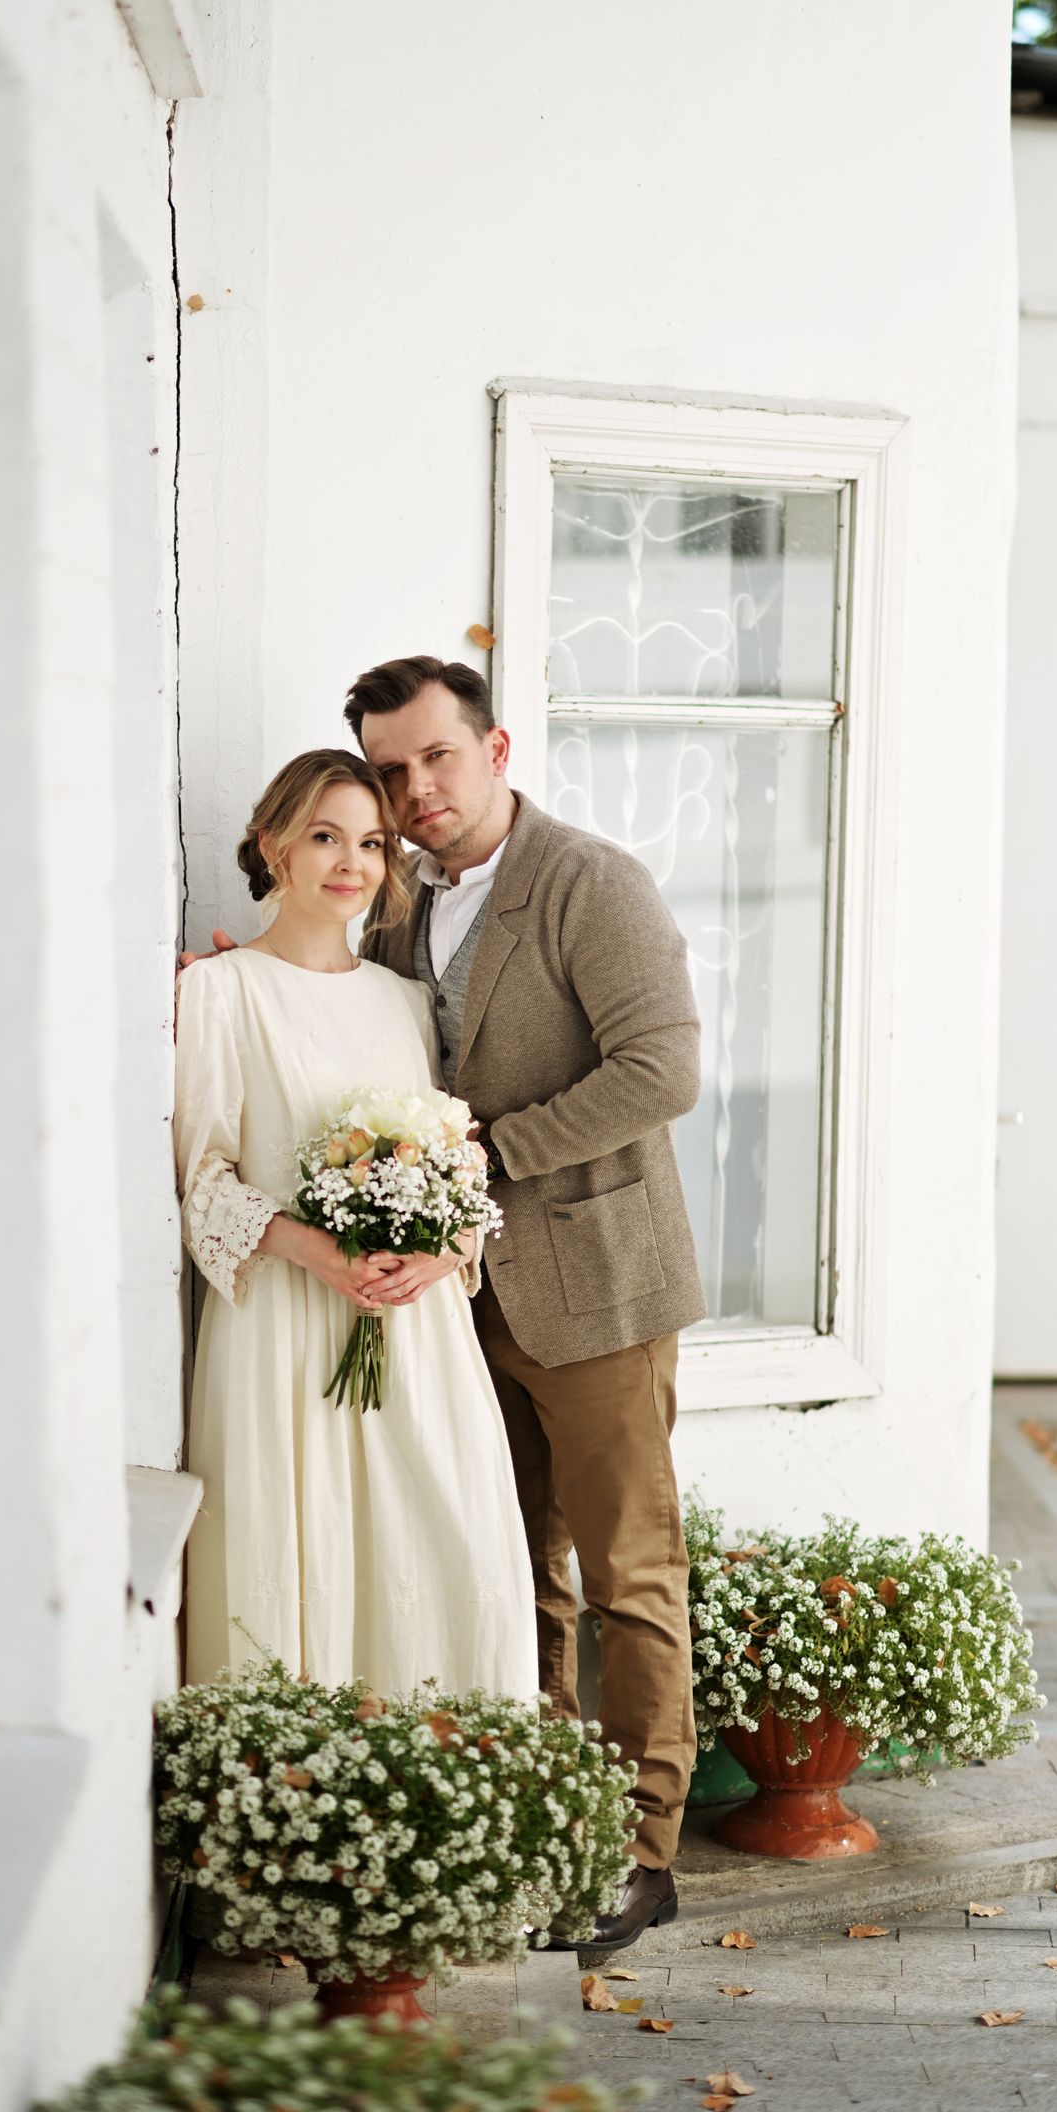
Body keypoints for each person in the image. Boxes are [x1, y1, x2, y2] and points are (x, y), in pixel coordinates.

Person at [344, 655, 706, 1952]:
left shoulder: (590, 882)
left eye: (437, 757)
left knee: (630, 1575)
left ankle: (643, 1854)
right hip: (463, 1303)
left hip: (598, 1289)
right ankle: (556, 1823)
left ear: (495, 751)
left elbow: (662, 1070)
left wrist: (486, 1155)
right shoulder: (399, 905)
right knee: (515, 1570)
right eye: (391, 771)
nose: (416, 790)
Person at [172, 746, 537, 1701]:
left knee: (450, 1550)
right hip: (284, 1328)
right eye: (325, 837)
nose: (352, 863)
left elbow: (455, 1160)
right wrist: (317, 1251)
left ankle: (453, 1760)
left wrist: (445, 1249)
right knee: (303, 1551)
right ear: (274, 848)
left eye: (372, 843)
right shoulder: (219, 991)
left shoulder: (408, 1003)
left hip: (415, 1330)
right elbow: (203, 1180)